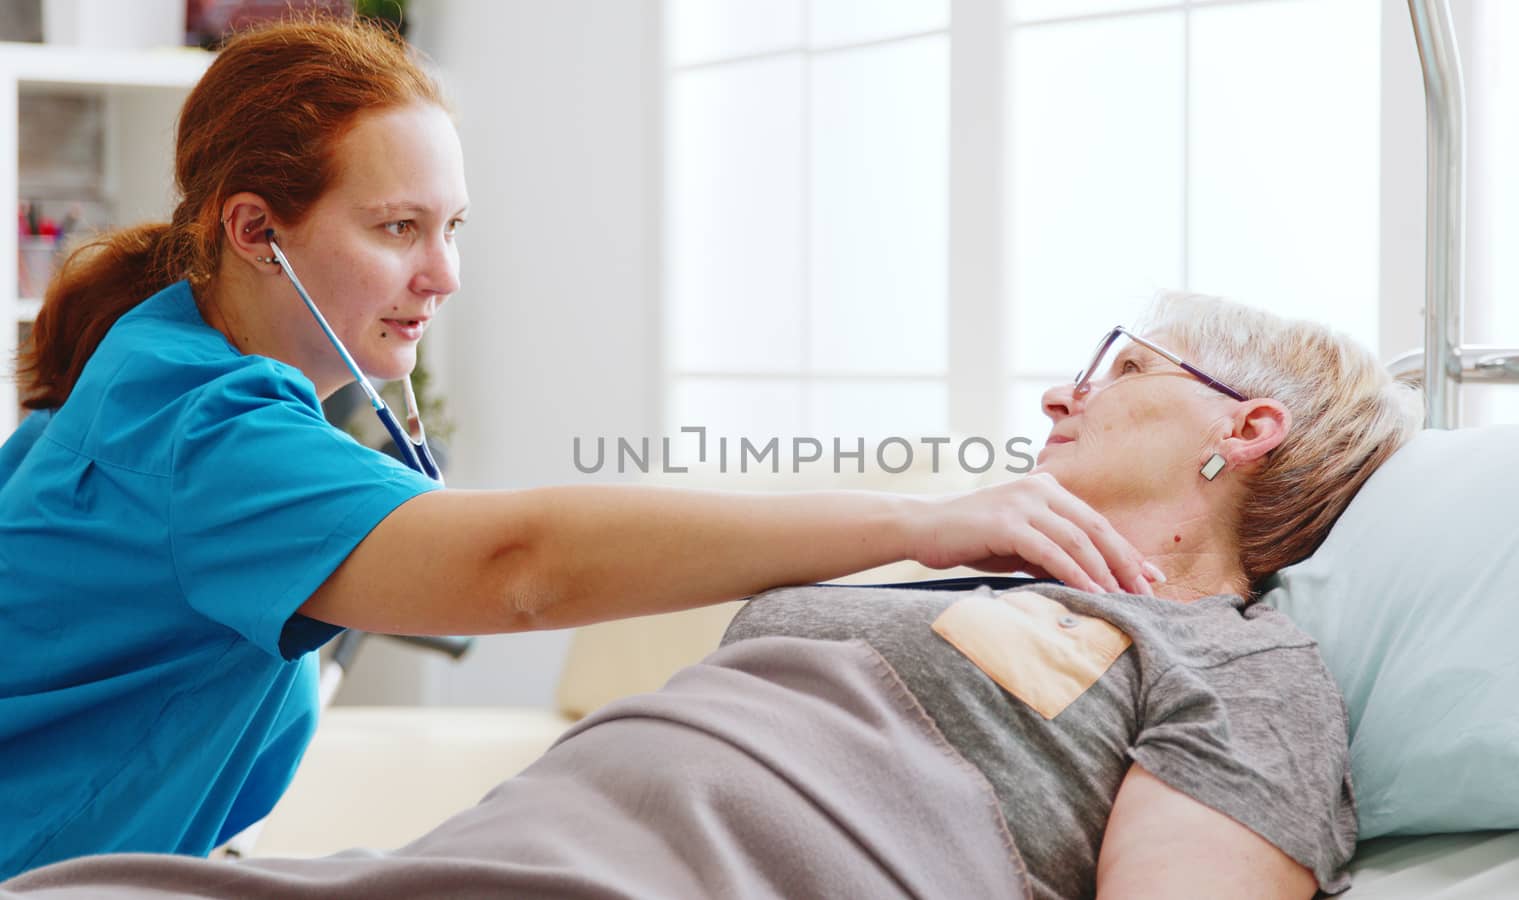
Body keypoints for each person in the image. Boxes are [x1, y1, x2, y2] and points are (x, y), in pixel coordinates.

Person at [0, 17, 1167, 881]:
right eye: (396, 228)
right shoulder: (205, 431)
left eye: (451, 228)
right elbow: (522, 566)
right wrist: (929, 522)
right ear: (256, 230)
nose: (443, 276)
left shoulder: (164, 366)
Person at [0, 293, 1423, 899]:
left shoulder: (1241, 671)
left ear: (1245, 432)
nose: (1065, 388)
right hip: (497, 859)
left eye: (1122, 363)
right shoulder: (934, 558)